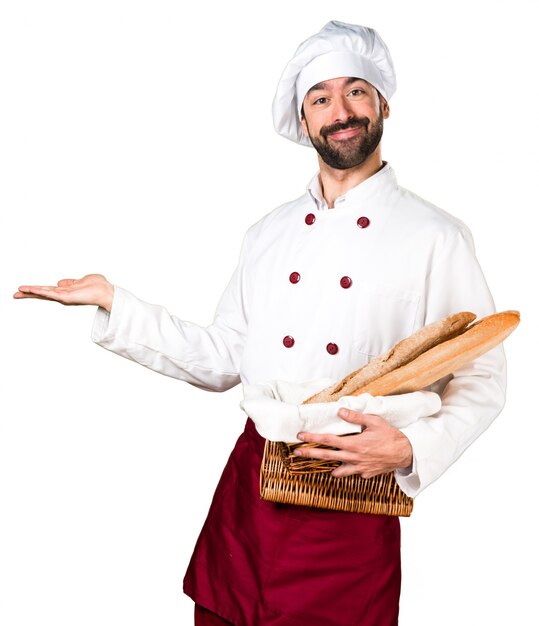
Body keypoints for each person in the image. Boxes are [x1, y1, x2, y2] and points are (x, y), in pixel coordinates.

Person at [14, 21, 506, 626]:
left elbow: (481, 375)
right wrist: (117, 303)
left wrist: (412, 447)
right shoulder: (268, 233)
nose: (341, 110)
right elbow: (227, 357)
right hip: (250, 491)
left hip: (347, 493)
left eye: (356, 91)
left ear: (383, 104)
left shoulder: (435, 237)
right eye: (320, 98)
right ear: (304, 122)